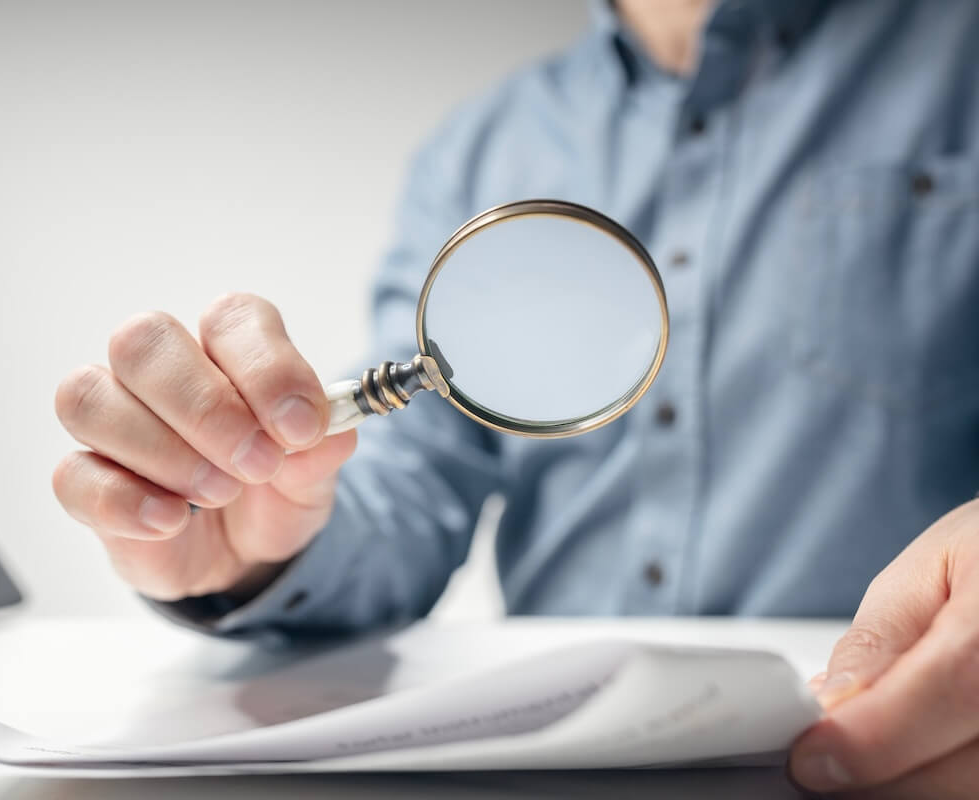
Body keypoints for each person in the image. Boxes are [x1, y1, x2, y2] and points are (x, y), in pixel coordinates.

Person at [51, 0, 979, 795]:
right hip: (543, 765)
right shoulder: (479, 148)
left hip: (895, 751)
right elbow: (415, 483)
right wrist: (259, 552)